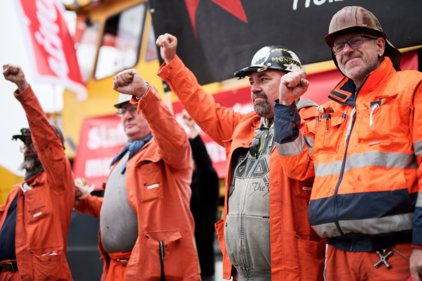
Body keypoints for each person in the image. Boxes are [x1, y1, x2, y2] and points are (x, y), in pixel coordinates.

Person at [156, 34, 326, 281]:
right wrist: (172, 62)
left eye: (264, 79)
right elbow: (203, 107)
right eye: (251, 81)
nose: (254, 87)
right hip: (240, 276)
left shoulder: (317, 123)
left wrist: (285, 110)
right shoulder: (245, 126)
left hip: (292, 274)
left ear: (293, 81)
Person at [274, 6, 422, 281]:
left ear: (380, 46)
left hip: (394, 253)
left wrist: (420, 245)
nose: (346, 50)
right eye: (339, 46)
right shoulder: (330, 109)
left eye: (355, 41)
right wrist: (285, 106)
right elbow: (298, 168)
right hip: (338, 256)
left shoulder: (412, 87)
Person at [74, 71, 200, 280]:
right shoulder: (122, 159)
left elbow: (173, 135)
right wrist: (83, 201)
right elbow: (118, 210)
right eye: (123, 111)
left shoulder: (166, 151)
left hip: (149, 269)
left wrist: (144, 94)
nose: (127, 116)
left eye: (134, 108)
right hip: (114, 270)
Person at [0, 65, 74, 280]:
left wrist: (23, 88)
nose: (29, 148)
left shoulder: (57, 183)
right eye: (25, 143)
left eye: (33, 142)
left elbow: (46, 139)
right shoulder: (16, 194)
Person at [182, 110, 219, 281]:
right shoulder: (178, 189)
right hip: (179, 271)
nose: (185, 162)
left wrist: (193, 131)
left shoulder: (205, 190)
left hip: (201, 272)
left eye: (190, 158)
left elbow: (206, 168)